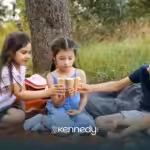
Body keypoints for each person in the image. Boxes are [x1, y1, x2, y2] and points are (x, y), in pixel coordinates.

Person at [0, 32, 62, 125]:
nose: (28, 56)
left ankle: (21, 114)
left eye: (29, 52)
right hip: (2, 106)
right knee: (18, 117)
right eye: (23, 52)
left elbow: (23, 91)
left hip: (13, 102)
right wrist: (46, 92)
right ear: (11, 52)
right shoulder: (6, 71)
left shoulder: (21, 67)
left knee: (24, 108)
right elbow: (20, 94)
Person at [78, 64, 150, 137]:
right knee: (100, 121)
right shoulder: (144, 71)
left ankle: (127, 134)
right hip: (142, 113)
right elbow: (117, 85)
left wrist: (123, 133)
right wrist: (90, 87)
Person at [46, 37, 95, 134]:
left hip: (76, 108)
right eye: (62, 58)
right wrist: (65, 96)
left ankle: (70, 125)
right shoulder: (51, 76)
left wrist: (80, 110)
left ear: (74, 57)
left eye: (70, 58)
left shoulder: (80, 74)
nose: (66, 62)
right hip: (58, 108)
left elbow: (84, 97)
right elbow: (56, 103)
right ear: (54, 57)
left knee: (88, 127)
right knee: (63, 131)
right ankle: (44, 120)